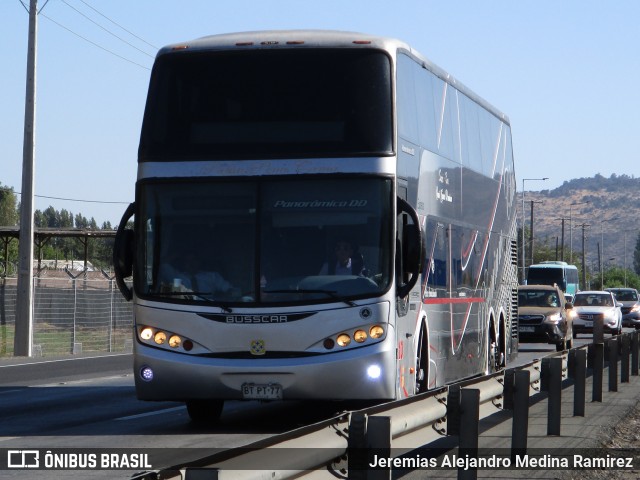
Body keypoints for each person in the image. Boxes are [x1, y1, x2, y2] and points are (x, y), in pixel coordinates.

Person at [159, 252, 232, 294]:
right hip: (183, 309)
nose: (191, 263)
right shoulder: (176, 276)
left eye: (194, 260)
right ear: (184, 263)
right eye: (188, 261)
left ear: (199, 262)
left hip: (209, 307)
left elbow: (229, 290)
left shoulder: (213, 276)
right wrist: (178, 253)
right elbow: (163, 263)